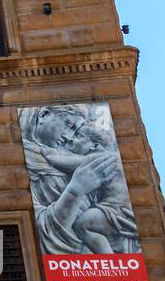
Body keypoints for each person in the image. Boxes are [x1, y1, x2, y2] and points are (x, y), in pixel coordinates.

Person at [20, 105, 137, 255]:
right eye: (69, 125)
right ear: (43, 115)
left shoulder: (76, 155)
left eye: (75, 133)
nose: (69, 137)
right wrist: (76, 190)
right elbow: (41, 229)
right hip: (65, 262)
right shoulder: (22, 156)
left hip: (102, 258)